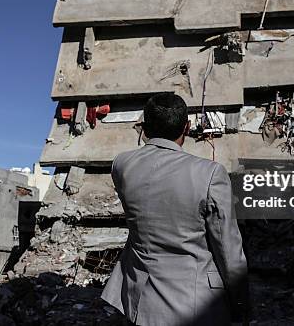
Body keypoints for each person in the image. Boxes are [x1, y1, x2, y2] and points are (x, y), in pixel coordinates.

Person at [101, 93, 249, 325]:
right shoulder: (209, 174)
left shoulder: (122, 165)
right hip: (194, 306)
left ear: (145, 128)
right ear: (187, 128)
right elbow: (228, 247)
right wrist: (240, 304)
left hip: (138, 300)